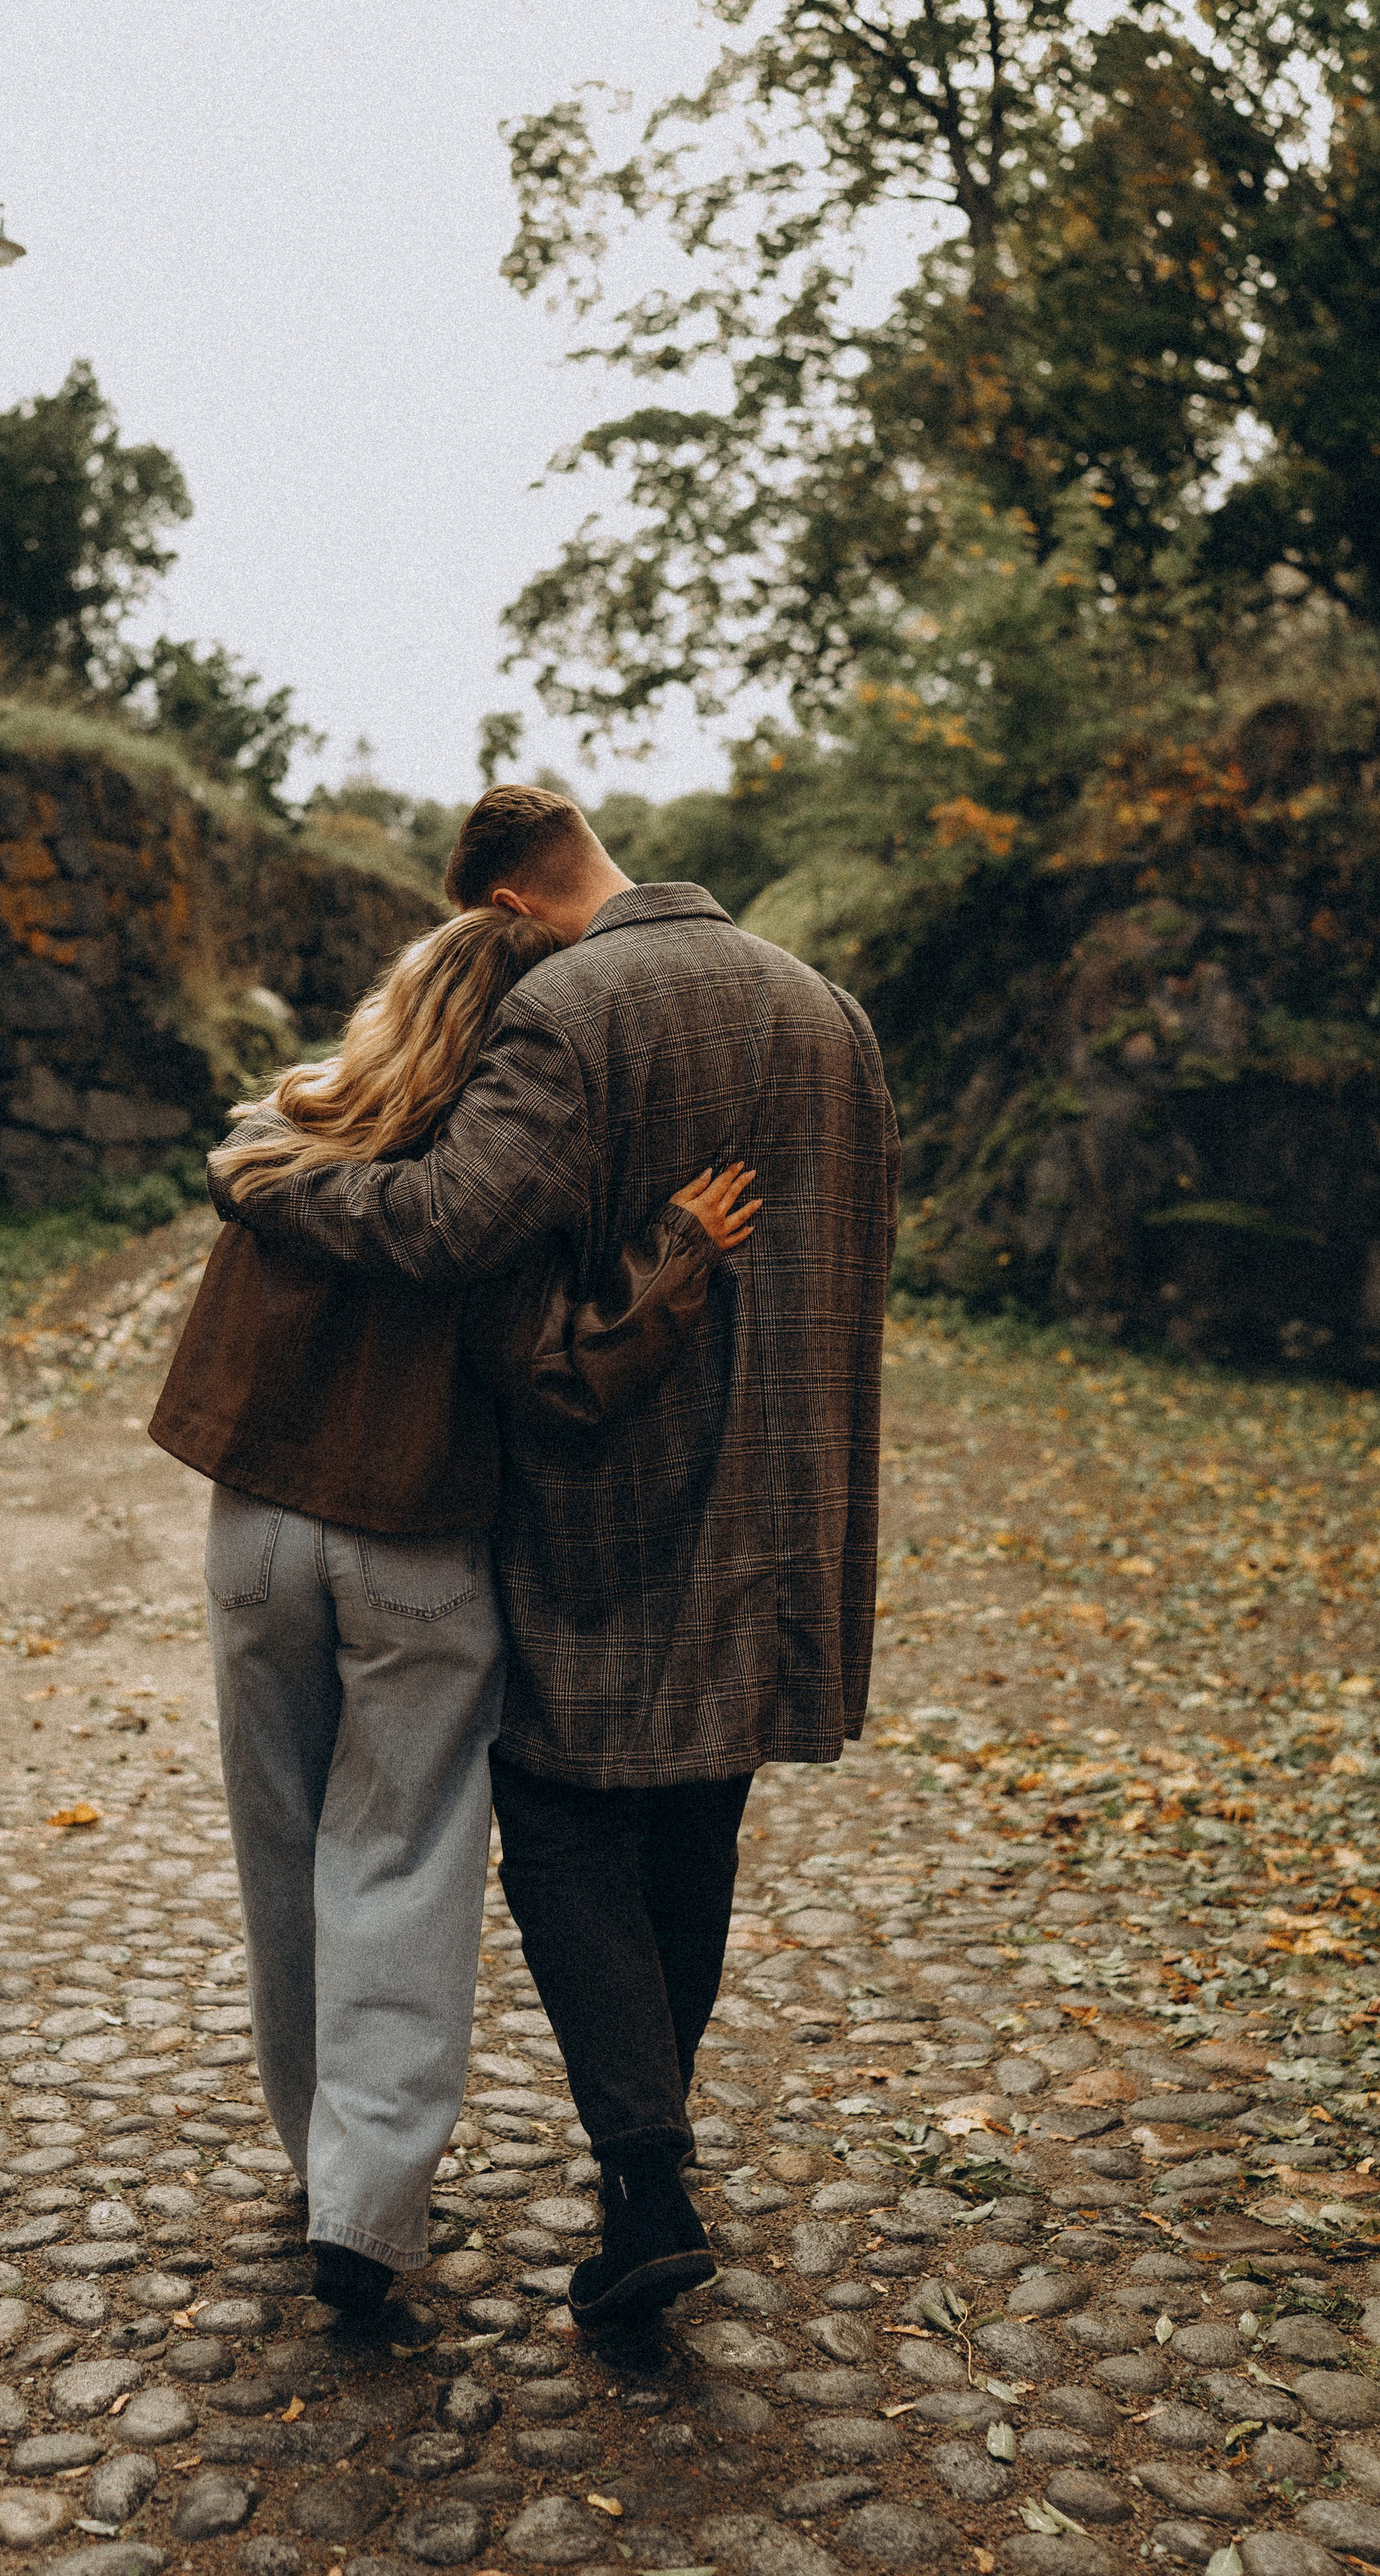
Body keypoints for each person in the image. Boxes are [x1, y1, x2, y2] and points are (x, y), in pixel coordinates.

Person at [210, 784, 899, 2326]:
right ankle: (642, 2171)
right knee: (696, 1829)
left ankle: (647, 2178)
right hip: (788, 1503)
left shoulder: (565, 1008)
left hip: (608, 1497)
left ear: (504, 908)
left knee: (572, 1823)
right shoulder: (831, 1012)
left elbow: (453, 1223)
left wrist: (274, 1168)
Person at [150, 904, 759, 2327]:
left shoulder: (282, 1131)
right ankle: (365, 2214)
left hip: (254, 1531)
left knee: (281, 1846)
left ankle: (317, 2159)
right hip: (413, 1545)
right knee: (398, 1861)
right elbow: (559, 1377)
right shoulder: (487, 1184)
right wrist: (672, 1257)